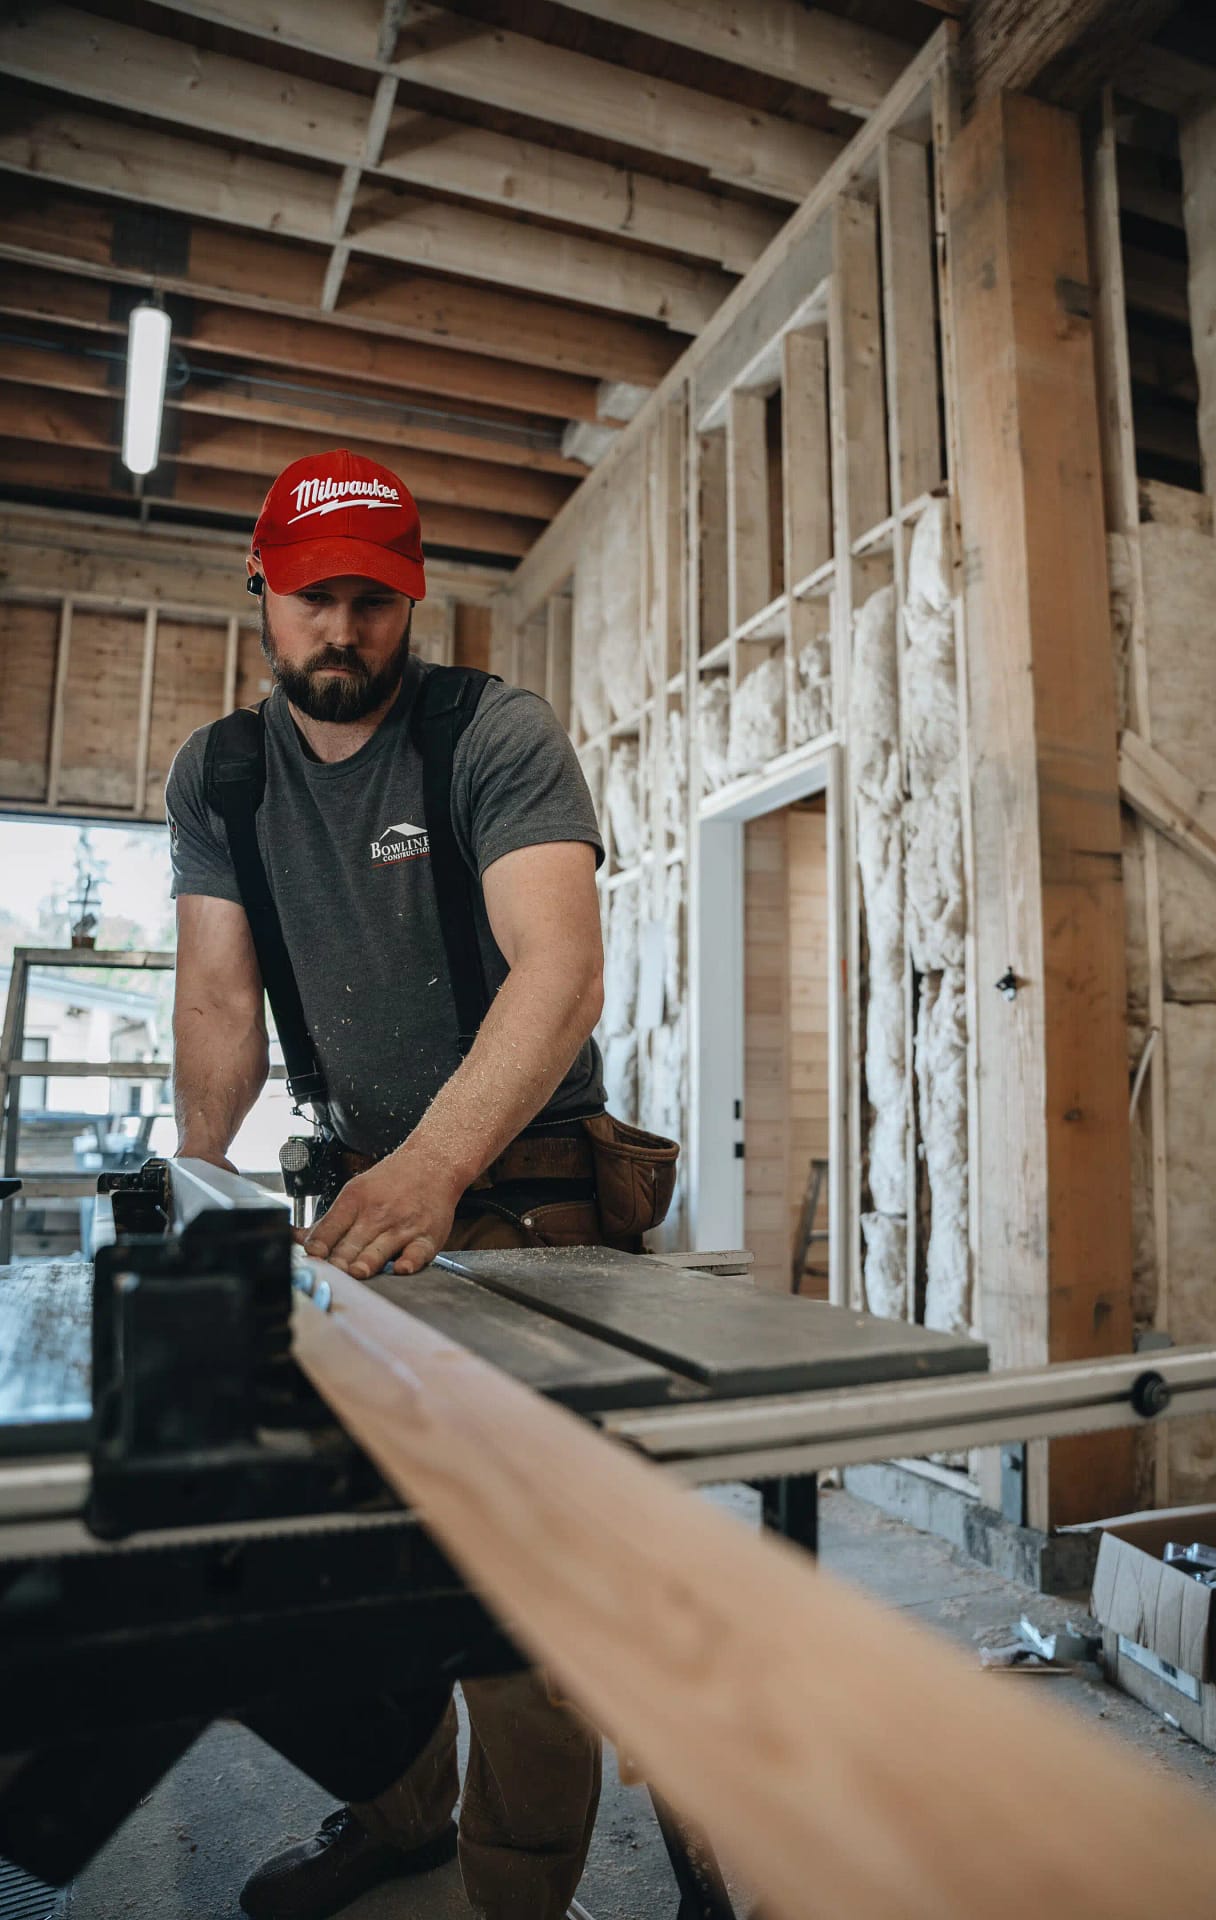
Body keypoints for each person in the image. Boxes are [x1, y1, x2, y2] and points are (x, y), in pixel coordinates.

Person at [165, 447, 619, 1920]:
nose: (342, 630)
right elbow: (222, 1001)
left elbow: (561, 970)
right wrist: (195, 1178)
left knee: (516, 1598)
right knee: (360, 1555)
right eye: (312, 601)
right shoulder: (222, 774)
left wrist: (439, 1160)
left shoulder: (493, 735)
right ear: (264, 602)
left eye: (372, 600)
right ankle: (404, 1816)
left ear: (414, 599)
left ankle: (516, 1892)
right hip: (361, 1204)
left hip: (530, 1194)